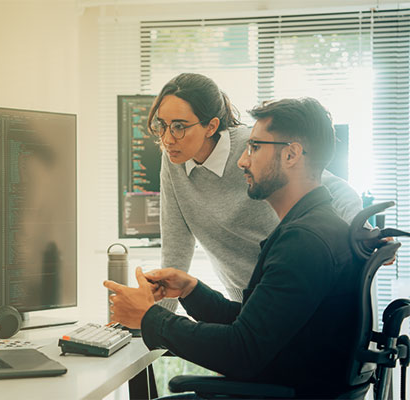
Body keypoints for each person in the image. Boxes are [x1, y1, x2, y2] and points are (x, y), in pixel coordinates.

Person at [105, 98, 362, 398]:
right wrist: (192, 291)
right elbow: (255, 326)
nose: (242, 160)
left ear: (291, 154)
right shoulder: (315, 227)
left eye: (254, 147)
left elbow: (241, 350)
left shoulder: (303, 242)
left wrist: (149, 317)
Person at [150, 73, 362, 302]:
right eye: (162, 125)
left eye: (179, 126)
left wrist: (360, 229)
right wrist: (152, 323)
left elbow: (331, 188)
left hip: (292, 286)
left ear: (210, 127)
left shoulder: (253, 146)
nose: (168, 139)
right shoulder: (174, 160)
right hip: (243, 297)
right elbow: (176, 248)